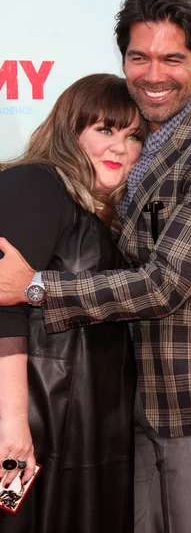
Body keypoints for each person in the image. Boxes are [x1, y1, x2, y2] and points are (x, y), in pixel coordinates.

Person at [0, 0, 191, 533]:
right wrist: (12, 430)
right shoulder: (43, 185)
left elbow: (161, 285)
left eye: (172, 58)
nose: (154, 74)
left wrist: (35, 286)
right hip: (87, 415)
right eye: (140, 57)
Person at [0, 74, 146, 533]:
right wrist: (12, 427)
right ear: (70, 129)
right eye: (105, 130)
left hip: (90, 429)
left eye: (134, 136)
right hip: (38, 423)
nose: (120, 147)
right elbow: (4, 306)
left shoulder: (112, 211)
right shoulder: (37, 184)